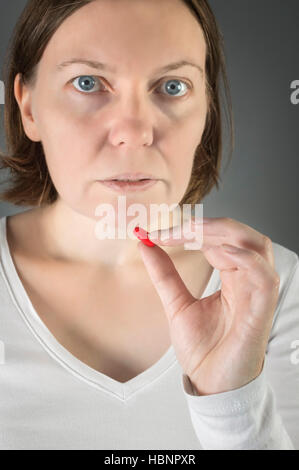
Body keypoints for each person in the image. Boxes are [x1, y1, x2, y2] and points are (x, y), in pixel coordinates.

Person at [0, 0, 298, 451]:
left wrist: (232, 403)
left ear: (207, 110)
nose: (136, 131)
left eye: (172, 86)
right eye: (88, 83)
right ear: (28, 108)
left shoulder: (277, 287)